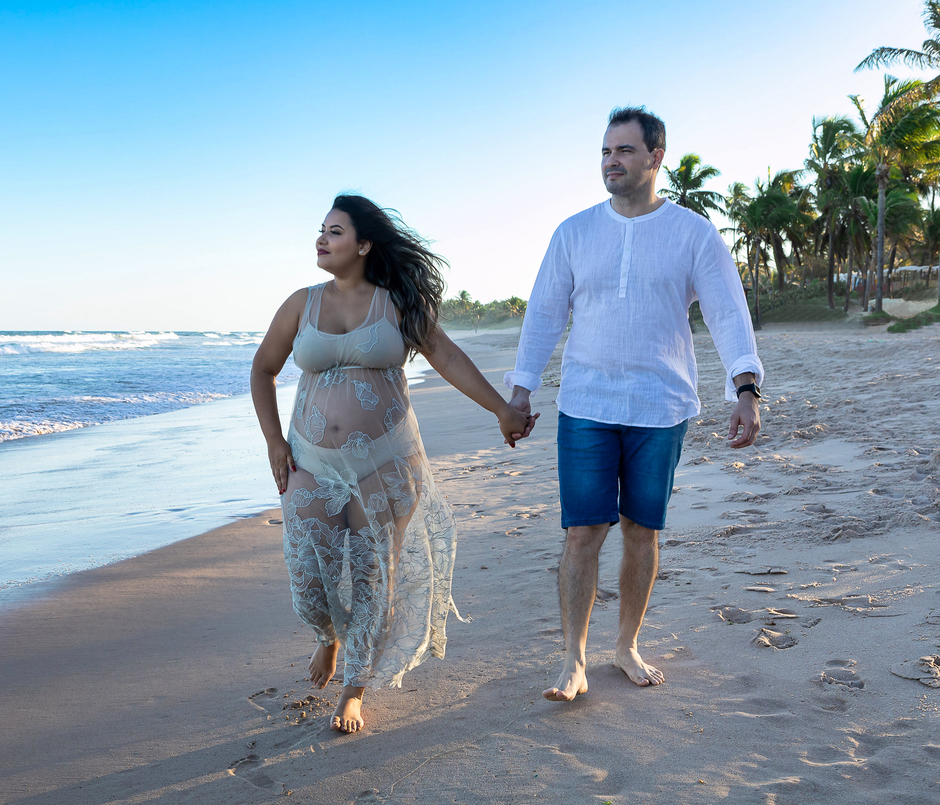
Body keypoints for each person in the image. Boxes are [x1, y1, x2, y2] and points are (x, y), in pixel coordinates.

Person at [505, 108, 764, 702]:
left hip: (661, 404)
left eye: (623, 151)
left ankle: (624, 647)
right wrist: (521, 392)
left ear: (655, 158)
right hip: (587, 402)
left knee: (641, 532)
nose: (610, 162)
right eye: (604, 152)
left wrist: (744, 388)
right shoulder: (573, 232)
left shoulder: (693, 233)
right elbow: (545, 313)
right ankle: (572, 659)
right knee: (581, 533)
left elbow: (727, 312)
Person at [251, 194, 536, 733]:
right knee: (310, 579)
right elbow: (262, 369)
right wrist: (273, 440)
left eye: (335, 232)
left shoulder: (397, 303)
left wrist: (502, 409)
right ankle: (327, 636)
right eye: (321, 229)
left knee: (371, 575)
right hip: (310, 460)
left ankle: (353, 690)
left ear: (363, 244)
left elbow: (446, 356)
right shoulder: (301, 304)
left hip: (387, 460)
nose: (322, 238)